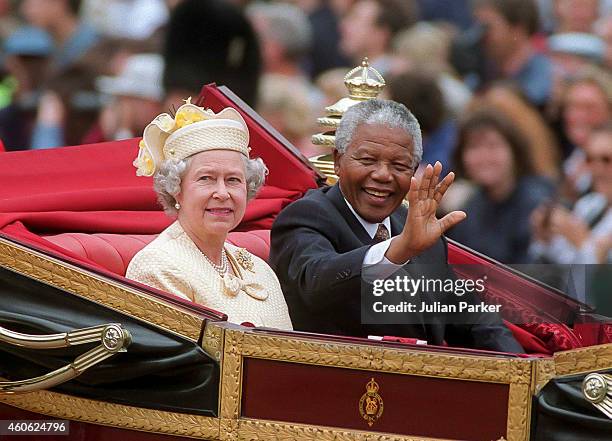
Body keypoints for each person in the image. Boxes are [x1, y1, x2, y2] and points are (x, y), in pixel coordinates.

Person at [269, 98, 523, 352]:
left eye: (399, 165)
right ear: (338, 161)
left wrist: (522, 373)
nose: (382, 175)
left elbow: (469, 316)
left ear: (414, 172)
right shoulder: (307, 216)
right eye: (367, 160)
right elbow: (315, 282)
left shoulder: (414, 227)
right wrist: (398, 250)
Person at [126, 99, 292, 329]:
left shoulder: (259, 268)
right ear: (176, 190)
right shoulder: (157, 267)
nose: (223, 193)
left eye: (233, 180)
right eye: (206, 179)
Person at [447, 108, 554, 263]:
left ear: (514, 151)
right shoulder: (470, 207)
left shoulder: (537, 202)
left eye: (493, 146)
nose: (484, 157)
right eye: (474, 147)